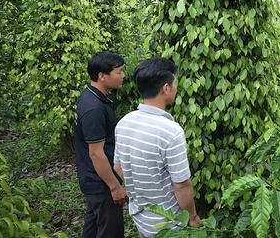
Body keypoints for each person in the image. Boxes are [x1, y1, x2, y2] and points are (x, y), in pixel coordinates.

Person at [114, 58, 200, 237]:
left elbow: (118, 167)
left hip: (141, 218)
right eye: (174, 83)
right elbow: (182, 186)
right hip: (170, 225)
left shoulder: (123, 123)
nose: (176, 87)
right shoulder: (171, 131)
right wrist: (192, 216)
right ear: (166, 88)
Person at [75, 52, 127, 238]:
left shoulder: (97, 97)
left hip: (93, 179)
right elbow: (96, 154)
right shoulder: (93, 108)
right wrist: (114, 187)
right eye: (118, 72)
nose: (123, 76)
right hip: (101, 182)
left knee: (93, 227)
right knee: (110, 232)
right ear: (102, 76)